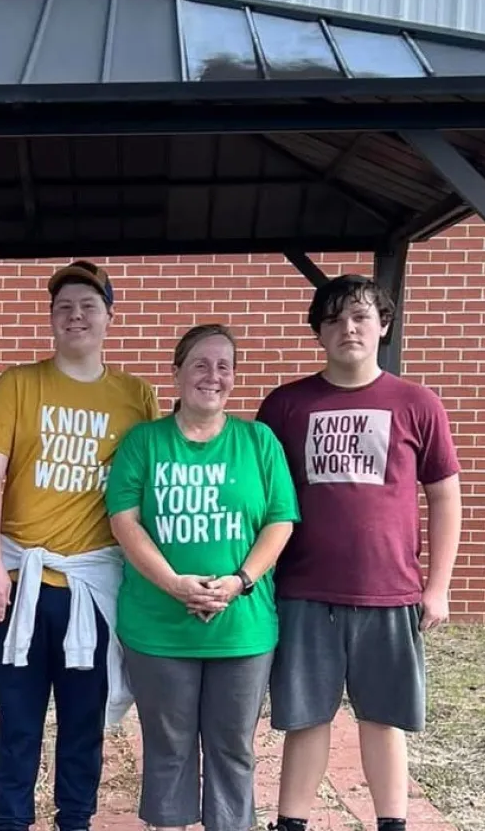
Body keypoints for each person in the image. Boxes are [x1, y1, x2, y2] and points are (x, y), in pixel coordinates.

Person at [255, 274, 463, 831]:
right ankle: (291, 823)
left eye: (361, 317)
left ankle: (391, 822)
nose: (348, 328)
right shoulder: (285, 405)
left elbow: (444, 496)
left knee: (383, 718)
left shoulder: (417, 402)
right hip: (303, 591)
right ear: (319, 332)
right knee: (305, 719)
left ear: (383, 326)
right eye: (334, 320)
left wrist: (436, 585)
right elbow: (260, 498)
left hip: (389, 590)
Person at [0, 260, 161, 831]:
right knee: (19, 721)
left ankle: (75, 819)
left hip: (92, 586)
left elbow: (149, 486)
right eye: (63, 308)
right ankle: (11, 821)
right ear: (51, 319)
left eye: (88, 306)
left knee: (85, 721)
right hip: (21, 580)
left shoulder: (136, 395)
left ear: (108, 316)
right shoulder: (18, 384)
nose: (75, 316)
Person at [105, 323, 299, 831]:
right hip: (158, 628)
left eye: (224, 366)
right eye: (200, 363)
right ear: (176, 373)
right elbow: (124, 520)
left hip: (242, 629)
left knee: (233, 749)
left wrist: (240, 580)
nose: (213, 376)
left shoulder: (259, 441)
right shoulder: (144, 442)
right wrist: (174, 583)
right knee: (168, 748)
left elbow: (280, 520)